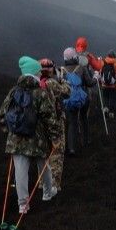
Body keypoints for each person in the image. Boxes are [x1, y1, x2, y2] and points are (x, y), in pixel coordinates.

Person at [0, 56, 62, 214]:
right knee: (43, 167)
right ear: (35, 73)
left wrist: (9, 131)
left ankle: (23, 205)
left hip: (16, 139)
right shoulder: (40, 93)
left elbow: (2, 114)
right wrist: (55, 137)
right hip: (37, 139)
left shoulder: (14, 91)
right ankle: (47, 193)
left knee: (20, 171)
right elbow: (50, 117)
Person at [39, 58, 70, 189]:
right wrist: (63, 78)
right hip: (55, 121)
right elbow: (67, 92)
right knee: (56, 153)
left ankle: (42, 183)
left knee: (44, 152)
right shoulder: (52, 83)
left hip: (41, 123)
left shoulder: (37, 82)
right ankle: (54, 185)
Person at [62, 47, 95, 154]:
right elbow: (90, 83)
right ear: (74, 57)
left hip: (68, 99)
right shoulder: (81, 68)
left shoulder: (61, 70)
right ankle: (85, 141)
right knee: (84, 118)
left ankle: (71, 147)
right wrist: (96, 77)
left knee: (71, 122)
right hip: (81, 98)